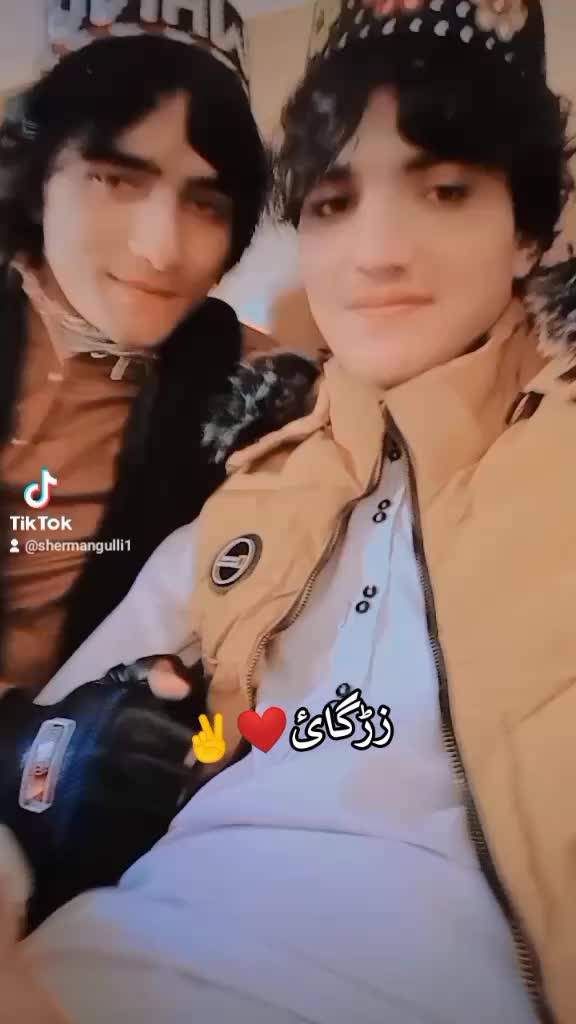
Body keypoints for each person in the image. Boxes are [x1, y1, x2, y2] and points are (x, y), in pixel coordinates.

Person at [2, 0, 576, 1021]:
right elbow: (37, 770)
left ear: (531, 230)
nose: (375, 253)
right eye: (333, 201)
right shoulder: (255, 493)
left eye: (445, 189)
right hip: (98, 962)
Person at [0, 6, 273, 695]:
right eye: (116, 179)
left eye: (206, 203)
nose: (160, 250)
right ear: (38, 177)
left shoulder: (257, 383)